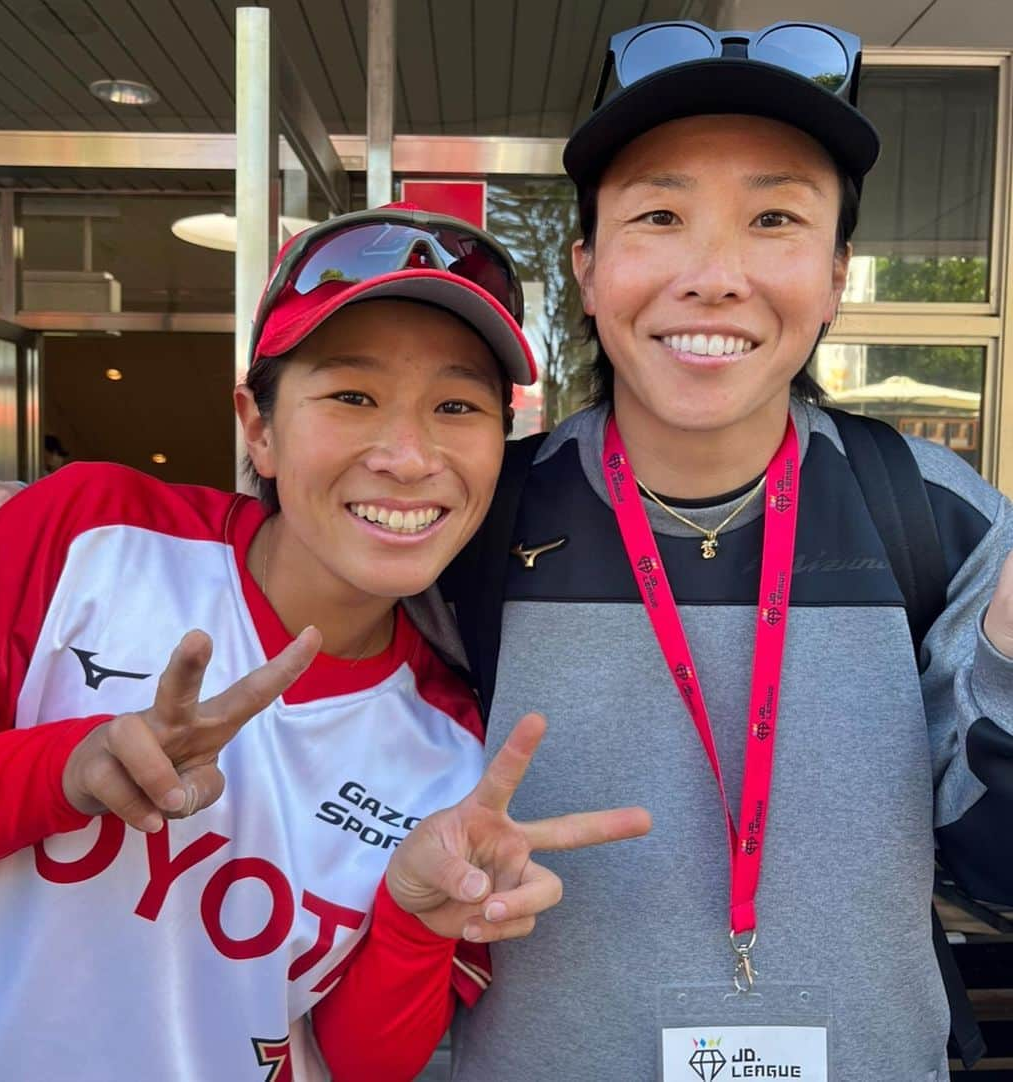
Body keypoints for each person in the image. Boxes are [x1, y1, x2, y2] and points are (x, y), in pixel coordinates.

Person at [381, 21, 1011, 1082]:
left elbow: (995, 871)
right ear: (585, 267)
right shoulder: (479, 521)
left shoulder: (932, 513)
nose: (714, 276)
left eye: (774, 218)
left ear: (838, 273)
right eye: (660, 216)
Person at [0, 205, 651, 1082]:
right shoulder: (90, 533)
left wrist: (416, 916)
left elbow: (355, 1061)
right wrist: (67, 771)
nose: (408, 455)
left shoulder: (455, 749)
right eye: (352, 396)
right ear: (259, 426)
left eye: (457, 406)